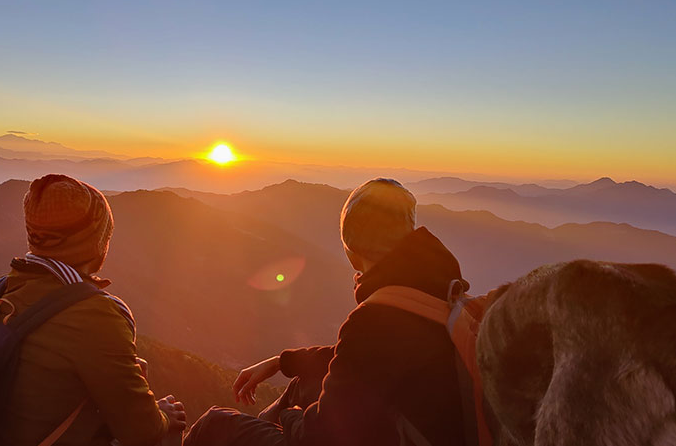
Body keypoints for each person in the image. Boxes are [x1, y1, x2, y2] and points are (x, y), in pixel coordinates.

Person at [184, 178, 468, 446]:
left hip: (384, 435)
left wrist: (290, 415)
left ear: (352, 250)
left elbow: (321, 437)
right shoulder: (438, 292)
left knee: (214, 424)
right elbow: (359, 358)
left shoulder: (375, 319)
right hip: (416, 427)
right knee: (302, 384)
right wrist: (282, 362)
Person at [0, 174, 186, 446]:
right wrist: (164, 416)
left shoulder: (1, 290)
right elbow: (143, 431)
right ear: (93, 241)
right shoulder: (95, 314)